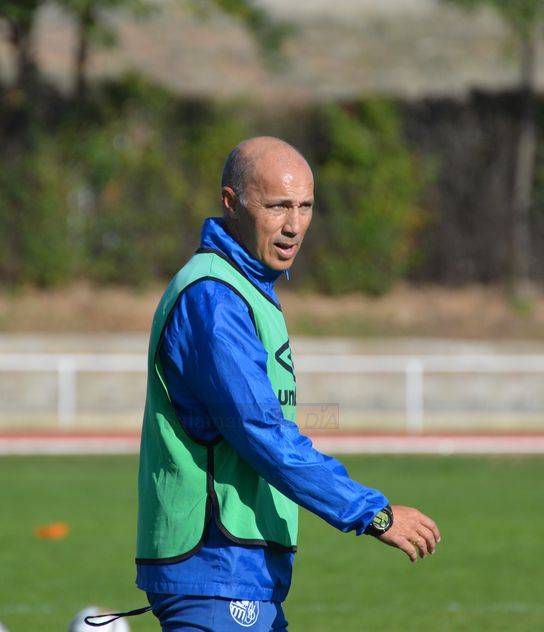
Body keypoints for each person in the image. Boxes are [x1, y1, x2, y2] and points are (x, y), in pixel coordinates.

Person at [134, 136, 440, 631]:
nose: (294, 225)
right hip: (217, 566)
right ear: (231, 202)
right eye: (278, 206)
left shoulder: (247, 288)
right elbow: (260, 432)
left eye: (304, 207)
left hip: (239, 571)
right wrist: (372, 513)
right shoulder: (214, 299)